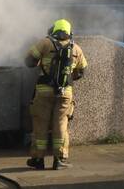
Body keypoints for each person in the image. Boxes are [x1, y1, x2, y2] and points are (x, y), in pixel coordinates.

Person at [24, 18, 88, 170]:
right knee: (61, 125)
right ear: (69, 33)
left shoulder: (45, 43)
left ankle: (38, 159)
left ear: (53, 30)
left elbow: (29, 61)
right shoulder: (76, 49)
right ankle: (59, 160)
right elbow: (81, 72)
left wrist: (43, 63)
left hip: (44, 92)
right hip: (65, 93)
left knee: (41, 124)